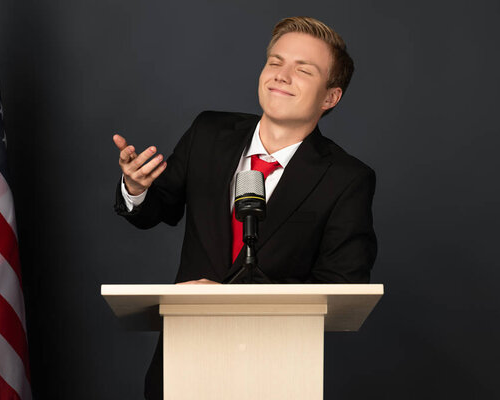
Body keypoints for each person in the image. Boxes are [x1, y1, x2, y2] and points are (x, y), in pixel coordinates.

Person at [113, 16, 377, 399]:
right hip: (182, 363)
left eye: (302, 70)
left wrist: (235, 300)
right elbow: (158, 208)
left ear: (329, 97)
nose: (281, 76)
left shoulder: (347, 179)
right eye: (275, 62)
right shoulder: (208, 133)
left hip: (276, 372)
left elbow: (344, 286)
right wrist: (135, 187)